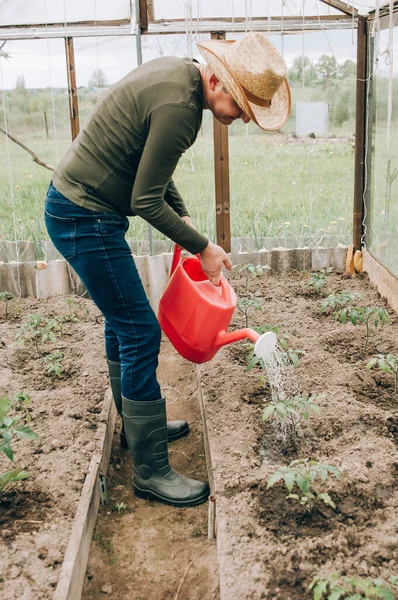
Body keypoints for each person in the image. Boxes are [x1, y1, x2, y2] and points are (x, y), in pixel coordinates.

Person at [44, 32, 291, 508]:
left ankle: (138, 434)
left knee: (123, 323)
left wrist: (186, 217)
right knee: (138, 330)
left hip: (81, 209)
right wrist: (203, 247)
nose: (239, 118)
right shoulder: (182, 109)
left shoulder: (177, 79)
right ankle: (151, 470)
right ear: (216, 79)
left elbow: (151, 164)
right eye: (240, 105)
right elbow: (144, 199)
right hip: (83, 215)